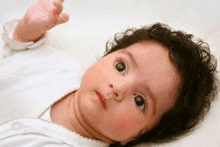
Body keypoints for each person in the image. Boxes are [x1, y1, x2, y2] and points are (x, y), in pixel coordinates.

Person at [0, 0, 218, 146]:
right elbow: (20, 50)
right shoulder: (60, 68)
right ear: (106, 57)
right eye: (121, 67)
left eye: (140, 100)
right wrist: (27, 30)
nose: (118, 88)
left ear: (144, 134)